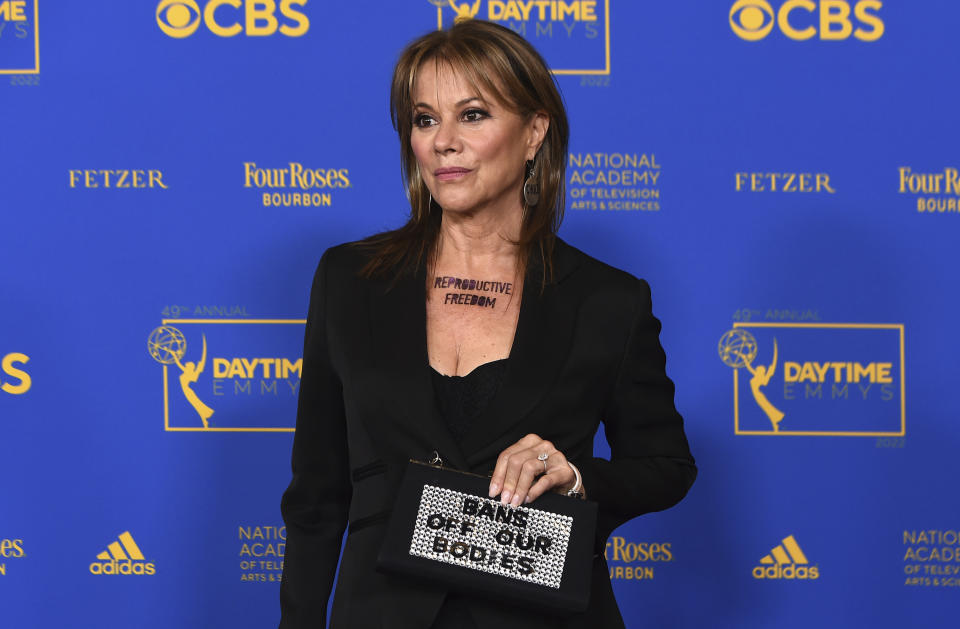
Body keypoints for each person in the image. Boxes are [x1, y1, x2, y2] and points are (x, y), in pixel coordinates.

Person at [279, 19, 696, 629]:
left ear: (534, 132)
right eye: (425, 120)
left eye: (472, 115)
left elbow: (667, 467)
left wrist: (576, 477)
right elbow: (316, 498)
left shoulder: (608, 299)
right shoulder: (350, 280)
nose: (443, 142)